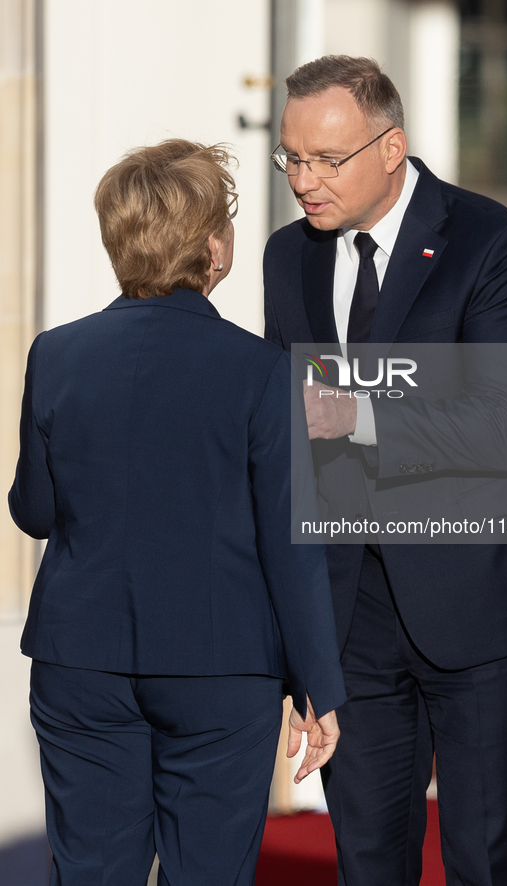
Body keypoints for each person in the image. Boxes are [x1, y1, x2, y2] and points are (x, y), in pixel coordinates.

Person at [264, 56, 507, 886]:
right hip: (346, 614)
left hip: (476, 601)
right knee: (366, 860)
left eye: (326, 159)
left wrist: (351, 413)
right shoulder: (284, 257)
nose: (302, 179)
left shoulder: (491, 241)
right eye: (290, 156)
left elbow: (499, 422)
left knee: (486, 857)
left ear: (391, 146)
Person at [9, 138, 346, 886]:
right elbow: (293, 545)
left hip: (82, 659)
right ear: (213, 248)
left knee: (91, 873)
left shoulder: (55, 354)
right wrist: (317, 683)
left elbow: (33, 512)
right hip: (221, 669)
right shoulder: (264, 372)